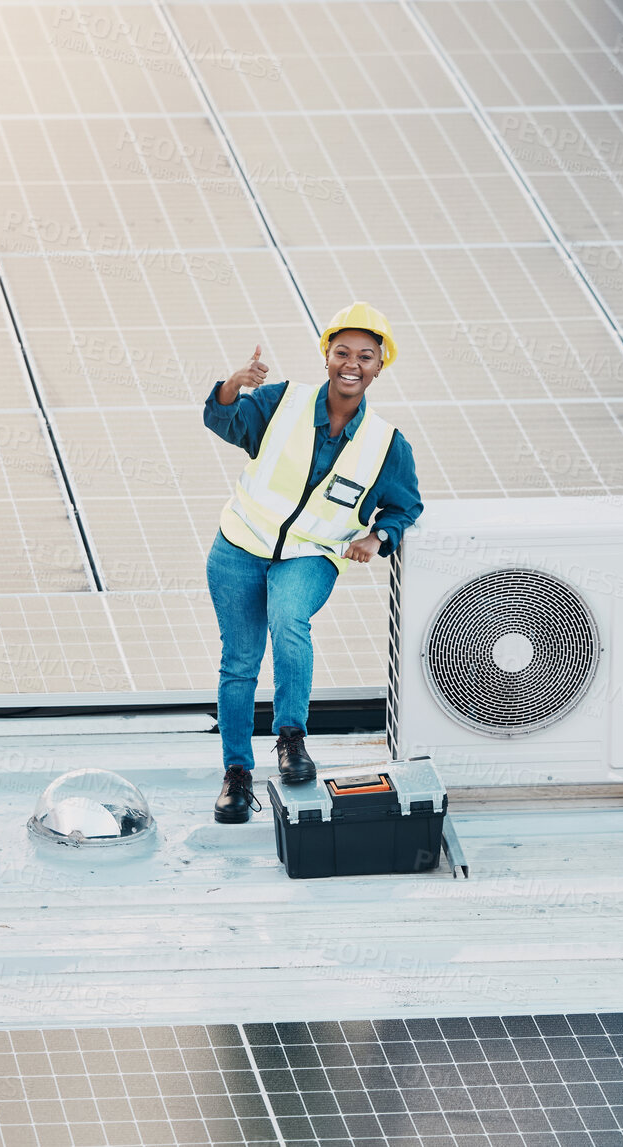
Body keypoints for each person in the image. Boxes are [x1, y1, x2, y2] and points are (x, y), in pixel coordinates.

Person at [202, 302, 423, 824]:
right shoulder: (283, 402)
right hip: (239, 545)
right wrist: (233, 383)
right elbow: (225, 421)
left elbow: (405, 504)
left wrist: (378, 537)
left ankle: (291, 739)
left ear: (379, 366)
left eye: (365, 356)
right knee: (239, 662)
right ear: (326, 354)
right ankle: (237, 774)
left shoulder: (387, 444)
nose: (352, 363)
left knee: (288, 621)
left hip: (312, 555)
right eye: (342, 351)